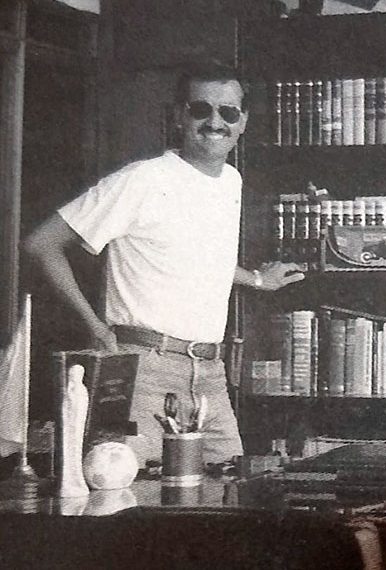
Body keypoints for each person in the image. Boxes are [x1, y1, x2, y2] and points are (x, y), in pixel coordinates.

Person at [23, 62, 303, 465]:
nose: (215, 122)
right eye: (201, 109)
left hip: (210, 376)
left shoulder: (231, 181)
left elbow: (193, 256)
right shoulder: (141, 180)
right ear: (178, 116)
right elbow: (42, 244)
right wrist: (95, 327)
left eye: (228, 112)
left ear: (243, 122)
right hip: (145, 372)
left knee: (230, 494)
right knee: (135, 495)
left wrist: (258, 279)